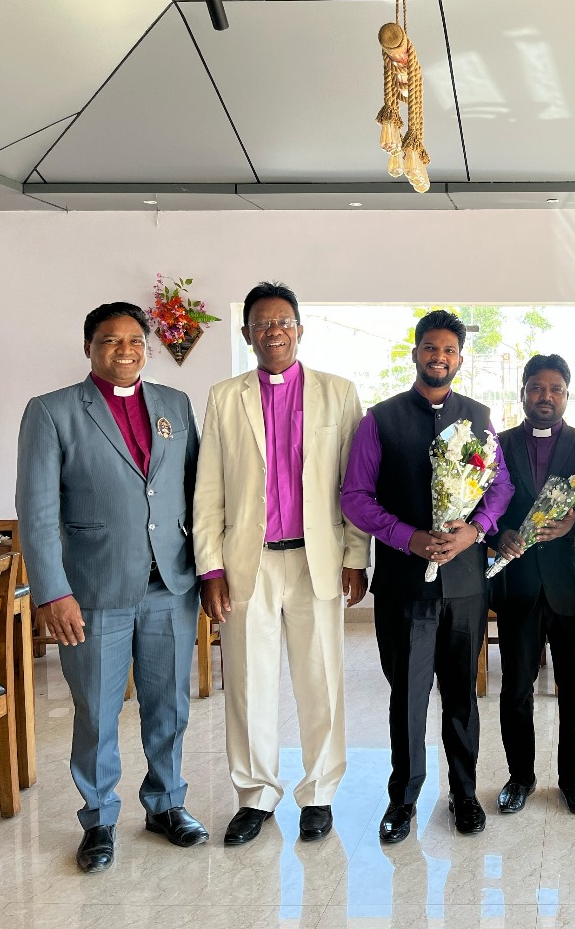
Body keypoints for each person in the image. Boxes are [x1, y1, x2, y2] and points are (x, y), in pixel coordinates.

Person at [16, 301, 206, 872]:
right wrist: (52, 592)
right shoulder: (52, 412)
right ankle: (98, 819)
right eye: (110, 340)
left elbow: (198, 491)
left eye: (134, 340)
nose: (125, 350)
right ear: (89, 347)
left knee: (169, 705)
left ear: (147, 348)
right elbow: (37, 512)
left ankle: (166, 805)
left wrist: (210, 571)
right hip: (93, 591)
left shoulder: (174, 404)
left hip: (170, 584)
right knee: (97, 712)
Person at [195, 281, 370, 846]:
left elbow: (354, 484)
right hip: (248, 564)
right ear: (247, 334)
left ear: (300, 329)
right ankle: (256, 795)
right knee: (248, 682)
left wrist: (356, 555)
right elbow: (208, 488)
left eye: (283, 322)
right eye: (262, 324)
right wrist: (210, 568)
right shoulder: (225, 397)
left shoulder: (338, 394)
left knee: (321, 679)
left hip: (317, 561)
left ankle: (319, 793)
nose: (274, 331)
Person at [341, 309, 512, 843]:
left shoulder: (479, 417)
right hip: (404, 584)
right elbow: (355, 496)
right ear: (416, 353)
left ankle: (464, 793)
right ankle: (404, 798)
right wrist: (406, 537)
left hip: (464, 585)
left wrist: (476, 529)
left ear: (460, 359)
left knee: (462, 695)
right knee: (408, 697)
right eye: (431, 348)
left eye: (449, 350)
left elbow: (500, 486)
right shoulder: (380, 420)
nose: (440, 357)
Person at [490, 354, 575, 816]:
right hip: (518, 584)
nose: (546, 396)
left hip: (573, 586)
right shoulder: (498, 445)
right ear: (522, 393)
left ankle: (572, 777)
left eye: (555, 388)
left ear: (567, 394)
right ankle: (520, 777)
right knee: (515, 689)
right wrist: (497, 535)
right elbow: (483, 506)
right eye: (537, 388)